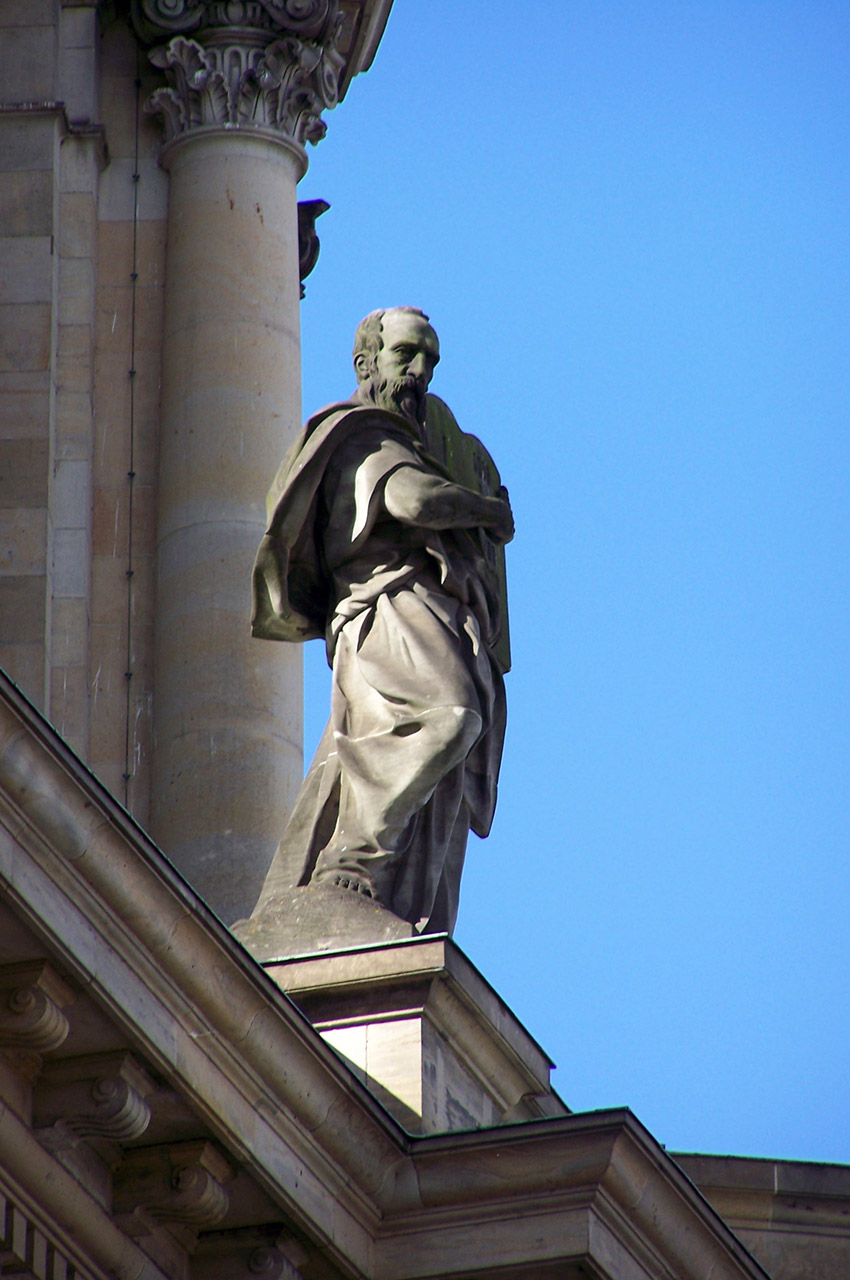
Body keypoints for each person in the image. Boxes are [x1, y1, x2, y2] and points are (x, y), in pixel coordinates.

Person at [249, 307, 513, 935]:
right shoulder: (363, 433)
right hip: (385, 610)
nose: (420, 371)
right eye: (406, 355)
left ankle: (361, 891)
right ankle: (351, 858)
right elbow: (411, 500)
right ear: (367, 362)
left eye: (430, 360)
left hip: (424, 610)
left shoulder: (420, 444)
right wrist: (485, 511)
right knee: (446, 720)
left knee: (388, 760)